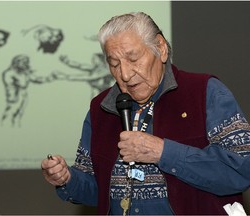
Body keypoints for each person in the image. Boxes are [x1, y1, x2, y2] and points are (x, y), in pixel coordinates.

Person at [41, 12, 250, 215]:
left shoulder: (205, 92)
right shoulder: (101, 108)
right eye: (114, 64)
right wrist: (67, 179)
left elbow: (241, 170)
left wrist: (163, 152)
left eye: (133, 59)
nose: (125, 74)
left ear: (160, 48)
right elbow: (97, 190)